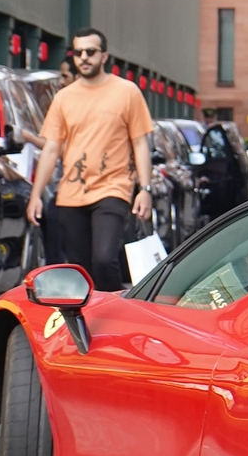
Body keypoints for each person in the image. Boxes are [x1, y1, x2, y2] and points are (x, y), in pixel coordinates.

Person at [27, 28, 154, 292]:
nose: (84, 57)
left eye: (91, 52)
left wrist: (145, 189)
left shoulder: (127, 92)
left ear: (104, 56)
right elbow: (51, 149)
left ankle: (116, 313)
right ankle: (87, 325)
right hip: (71, 195)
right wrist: (36, 195)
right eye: (78, 52)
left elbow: (141, 143)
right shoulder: (63, 98)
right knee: (80, 270)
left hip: (113, 188)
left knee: (104, 259)